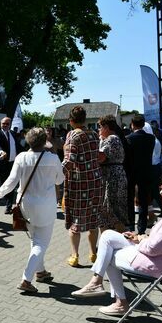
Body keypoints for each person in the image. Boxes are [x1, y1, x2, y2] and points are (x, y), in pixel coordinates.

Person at [71, 171, 162, 316]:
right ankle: (97, 283)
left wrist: (140, 240)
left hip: (159, 266)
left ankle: (117, 300)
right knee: (108, 236)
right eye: (161, 188)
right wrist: (140, 238)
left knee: (108, 254)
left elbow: (153, 249)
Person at [0, 128, 64, 293]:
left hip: (26, 206)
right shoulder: (53, 158)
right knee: (41, 243)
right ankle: (26, 279)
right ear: (44, 141)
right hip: (46, 206)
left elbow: (11, 182)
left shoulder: (22, 157)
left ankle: (41, 272)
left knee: (36, 241)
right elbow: (60, 179)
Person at [62, 106, 103, 267]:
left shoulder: (72, 134)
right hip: (96, 180)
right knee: (93, 219)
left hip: (80, 182)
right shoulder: (94, 134)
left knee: (76, 220)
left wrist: (56, 174)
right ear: (85, 119)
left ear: (71, 121)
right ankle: (93, 253)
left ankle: (75, 255)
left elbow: (70, 160)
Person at [97, 115, 128, 232]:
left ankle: (117, 238)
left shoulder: (111, 139)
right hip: (115, 175)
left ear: (106, 127)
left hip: (112, 176)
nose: (98, 129)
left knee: (110, 210)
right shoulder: (115, 138)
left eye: (100, 127)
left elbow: (101, 157)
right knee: (113, 210)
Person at [126, 115, 155, 235]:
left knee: (130, 200)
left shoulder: (128, 138)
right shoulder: (151, 138)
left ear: (132, 124)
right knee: (143, 200)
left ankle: (131, 226)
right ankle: (142, 228)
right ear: (143, 124)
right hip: (146, 171)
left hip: (131, 172)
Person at [0, 117, 22, 214]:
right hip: (3, 164)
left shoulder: (13, 134)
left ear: (10, 125)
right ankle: (6, 200)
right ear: (1, 124)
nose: (5, 125)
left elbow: (18, 146)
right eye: (3, 123)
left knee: (12, 183)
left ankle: (8, 205)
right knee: (4, 183)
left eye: (7, 124)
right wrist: (1, 151)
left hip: (13, 163)